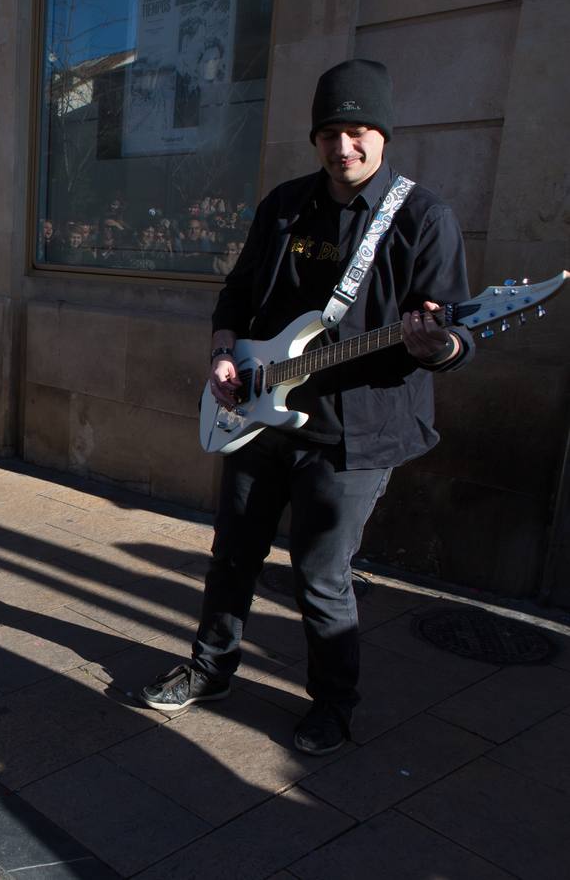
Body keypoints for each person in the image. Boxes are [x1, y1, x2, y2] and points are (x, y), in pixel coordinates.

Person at [139, 59, 475, 756]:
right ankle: (211, 667)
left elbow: (458, 335)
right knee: (232, 553)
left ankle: (333, 705)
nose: (343, 147)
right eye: (330, 132)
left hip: (357, 433)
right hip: (262, 410)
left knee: (321, 577)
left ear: (382, 135)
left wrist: (433, 344)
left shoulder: (422, 218)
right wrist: (225, 353)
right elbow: (236, 293)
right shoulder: (286, 205)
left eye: (357, 132)